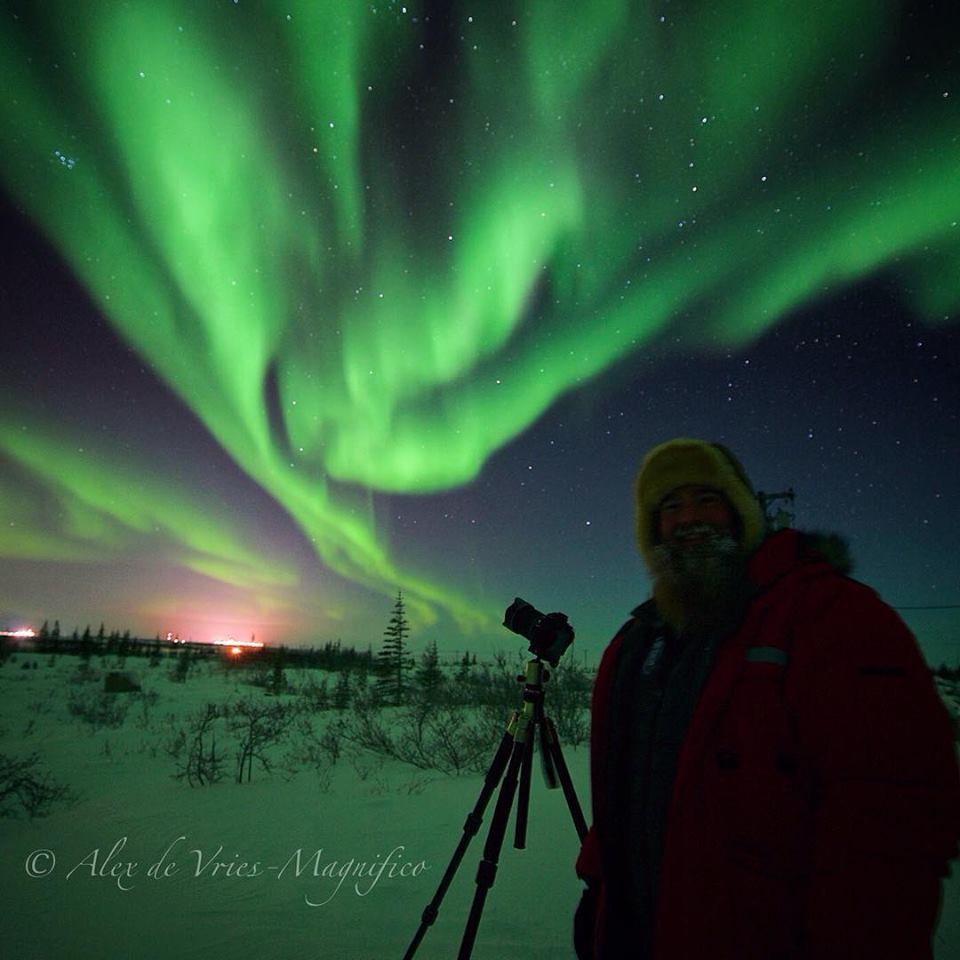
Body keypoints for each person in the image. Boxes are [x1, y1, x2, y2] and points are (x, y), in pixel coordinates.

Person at [574, 437, 960, 960]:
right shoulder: (636, 644)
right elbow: (623, 791)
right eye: (670, 507)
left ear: (741, 512)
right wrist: (599, 889)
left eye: (705, 499)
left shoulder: (830, 617)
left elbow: (890, 834)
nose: (689, 519)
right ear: (651, 530)